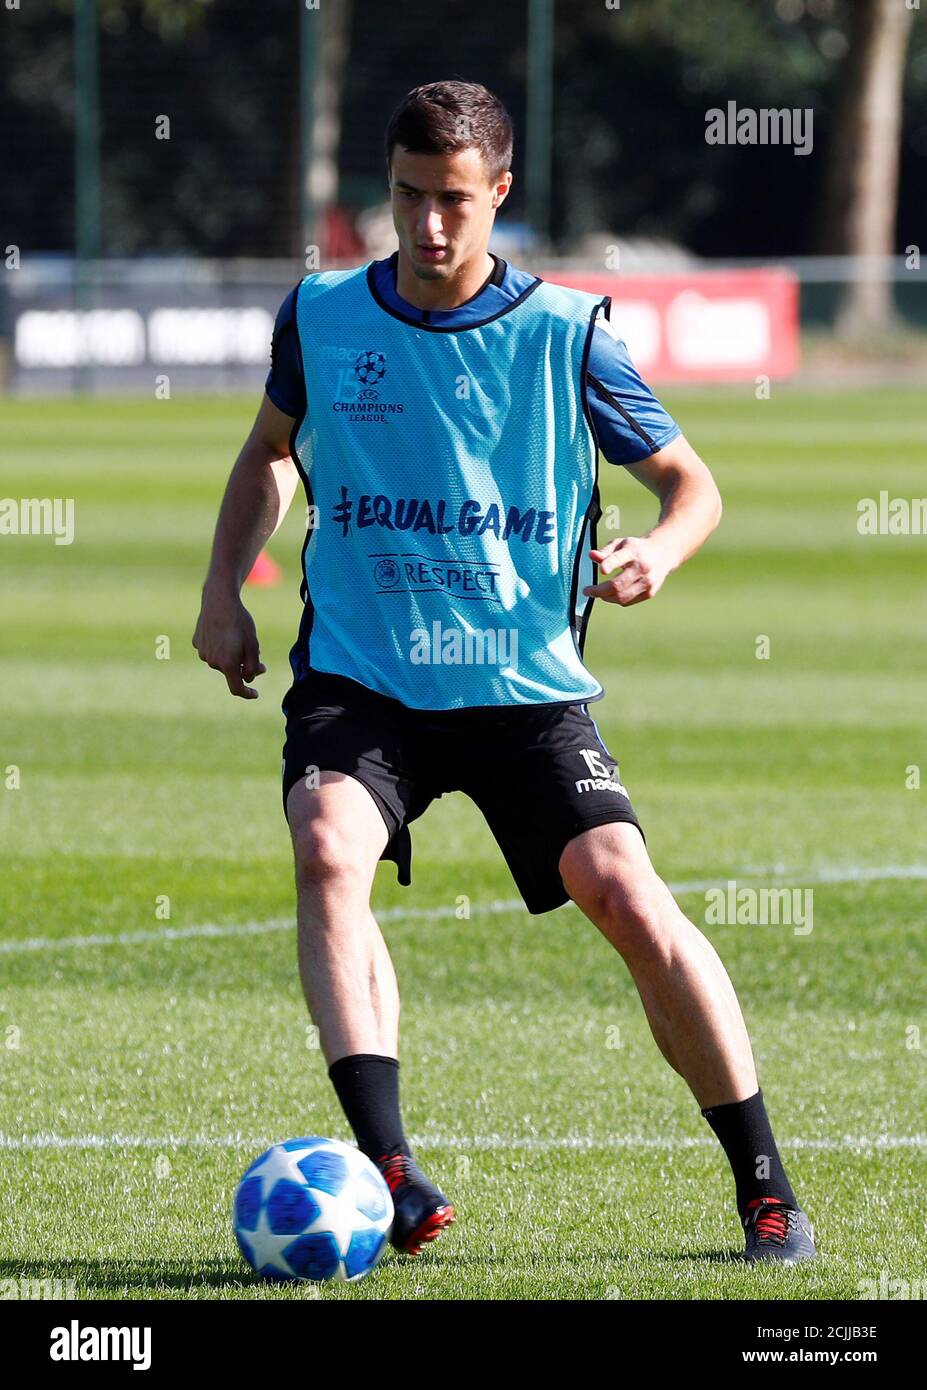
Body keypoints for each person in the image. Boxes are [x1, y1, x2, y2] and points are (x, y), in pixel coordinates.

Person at [193, 80, 815, 1264]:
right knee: (327, 846)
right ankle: (389, 1167)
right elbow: (270, 451)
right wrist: (224, 586)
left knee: (624, 892)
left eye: (455, 202)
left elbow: (693, 486)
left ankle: (766, 1185)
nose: (429, 225)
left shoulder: (567, 333)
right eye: (408, 197)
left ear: (502, 195)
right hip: (364, 677)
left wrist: (659, 551)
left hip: (522, 687)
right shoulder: (322, 315)